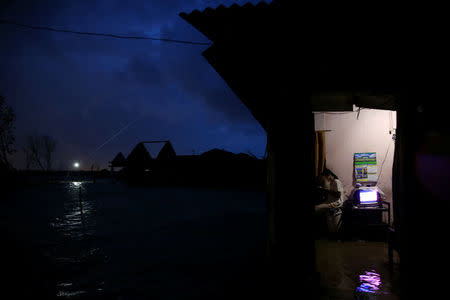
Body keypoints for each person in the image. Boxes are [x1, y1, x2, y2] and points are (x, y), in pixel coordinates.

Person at [315, 168, 345, 235]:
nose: (326, 179)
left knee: (317, 208)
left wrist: (326, 190)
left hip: (336, 203)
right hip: (331, 202)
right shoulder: (332, 183)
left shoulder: (336, 181)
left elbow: (338, 194)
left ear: (329, 175)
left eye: (325, 177)